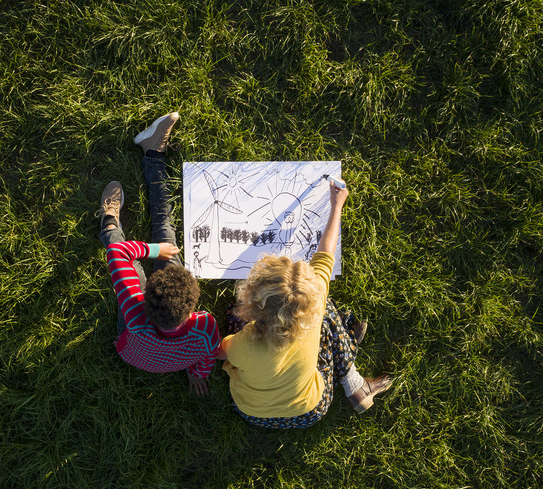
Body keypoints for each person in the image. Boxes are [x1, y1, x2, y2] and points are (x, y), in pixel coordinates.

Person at [218, 181, 394, 428]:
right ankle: (352, 382)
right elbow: (326, 253)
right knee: (325, 310)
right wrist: (336, 207)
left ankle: (354, 381)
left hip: (253, 414)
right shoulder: (315, 302)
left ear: (253, 301)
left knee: (230, 314)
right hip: (311, 410)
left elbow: (219, 352)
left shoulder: (244, 343)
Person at [98, 112, 220, 396]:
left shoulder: (133, 307)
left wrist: (155, 251)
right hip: (153, 358)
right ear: (193, 310)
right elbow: (209, 354)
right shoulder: (204, 326)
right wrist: (197, 373)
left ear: (145, 295)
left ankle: (108, 221)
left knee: (139, 253)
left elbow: (118, 252)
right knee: (164, 231)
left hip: (129, 343)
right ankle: (153, 151)